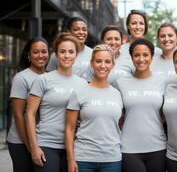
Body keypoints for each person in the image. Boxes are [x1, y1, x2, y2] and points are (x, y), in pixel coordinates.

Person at [25, 32, 87, 172]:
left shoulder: (83, 84)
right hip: (46, 144)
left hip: (74, 147)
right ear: (56, 54)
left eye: (71, 52)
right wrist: (34, 147)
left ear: (76, 55)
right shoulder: (43, 80)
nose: (66, 55)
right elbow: (29, 114)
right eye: (62, 51)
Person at [65, 44, 123, 172]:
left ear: (113, 65)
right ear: (92, 63)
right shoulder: (79, 92)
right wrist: (70, 159)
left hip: (112, 159)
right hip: (84, 159)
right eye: (98, 61)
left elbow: (119, 124)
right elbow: (70, 128)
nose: (103, 66)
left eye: (107, 61)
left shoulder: (117, 94)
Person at [116, 39, 166, 172]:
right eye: (136, 55)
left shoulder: (163, 81)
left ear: (152, 57)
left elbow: (170, 111)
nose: (141, 59)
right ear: (131, 58)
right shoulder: (121, 83)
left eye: (145, 55)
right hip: (129, 148)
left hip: (158, 147)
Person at [7, 37, 49, 172]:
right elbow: (18, 116)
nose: (41, 56)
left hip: (41, 139)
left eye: (44, 51)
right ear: (29, 55)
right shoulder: (21, 78)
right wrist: (31, 147)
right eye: (36, 52)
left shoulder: (50, 77)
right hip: (21, 142)